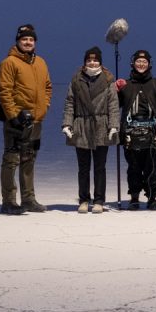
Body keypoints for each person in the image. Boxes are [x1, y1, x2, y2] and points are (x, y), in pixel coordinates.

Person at [0, 23, 52, 214]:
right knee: (12, 160)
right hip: (16, 121)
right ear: (18, 41)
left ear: (35, 42)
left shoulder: (41, 62)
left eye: (31, 39)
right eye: (24, 39)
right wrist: (13, 115)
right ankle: (9, 201)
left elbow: (47, 87)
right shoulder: (9, 62)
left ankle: (28, 199)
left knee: (29, 159)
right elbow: (4, 91)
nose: (28, 42)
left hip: (36, 121)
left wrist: (44, 108)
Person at [62, 45, 120, 213]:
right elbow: (69, 103)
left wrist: (114, 125)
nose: (92, 63)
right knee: (83, 167)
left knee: (100, 166)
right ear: (85, 61)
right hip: (82, 126)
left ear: (100, 62)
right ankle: (84, 199)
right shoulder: (77, 79)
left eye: (95, 60)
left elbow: (113, 105)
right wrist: (67, 124)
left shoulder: (108, 79)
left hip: (102, 125)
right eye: (89, 60)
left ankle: (99, 200)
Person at [116, 49, 156, 210]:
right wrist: (115, 90)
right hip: (130, 132)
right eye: (138, 61)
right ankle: (134, 197)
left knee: (152, 167)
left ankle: (152, 197)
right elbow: (114, 105)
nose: (141, 64)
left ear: (149, 64)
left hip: (153, 132)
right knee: (133, 167)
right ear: (133, 64)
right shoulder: (126, 85)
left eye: (144, 62)